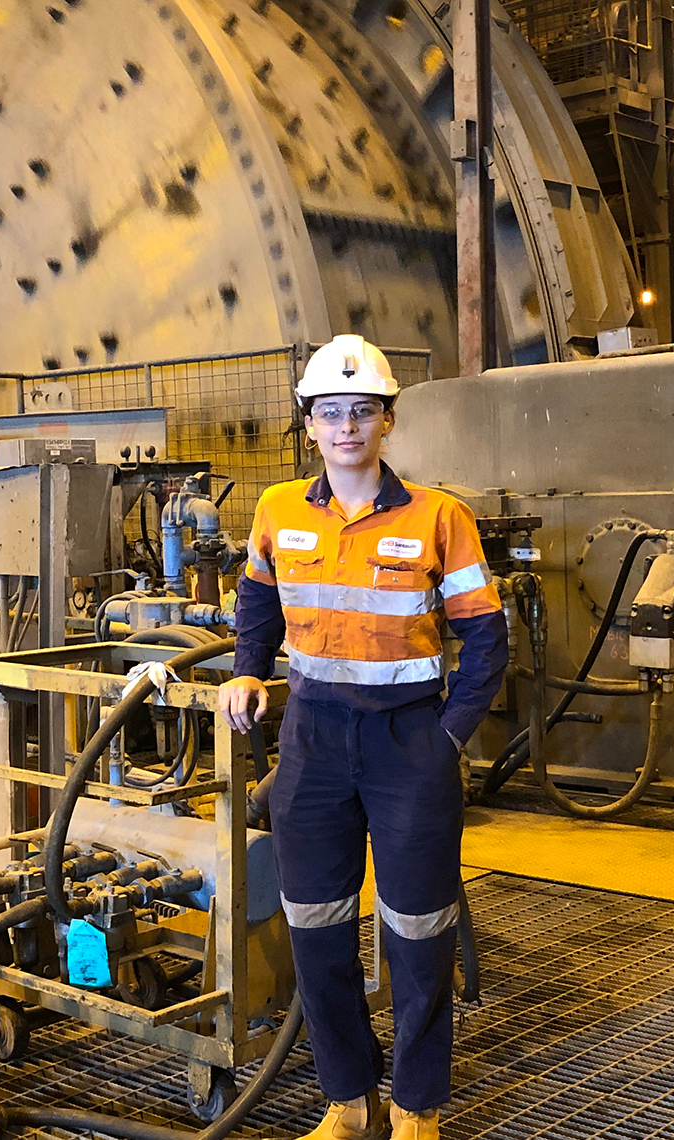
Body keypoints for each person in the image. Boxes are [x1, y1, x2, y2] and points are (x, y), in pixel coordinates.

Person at [218, 335, 508, 1140]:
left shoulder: (439, 517)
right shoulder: (277, 511)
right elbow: (257, 601)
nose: (346, 426)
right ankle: (349, 1102)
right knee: (315, 929)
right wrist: (247, 671)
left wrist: (446, 739)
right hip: (312, 740)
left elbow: (487, 638)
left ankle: (417, 1106)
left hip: (409, 740)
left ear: (388, 420)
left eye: (363, 411)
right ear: (309, 424)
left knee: (419, 932)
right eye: (331, 412)